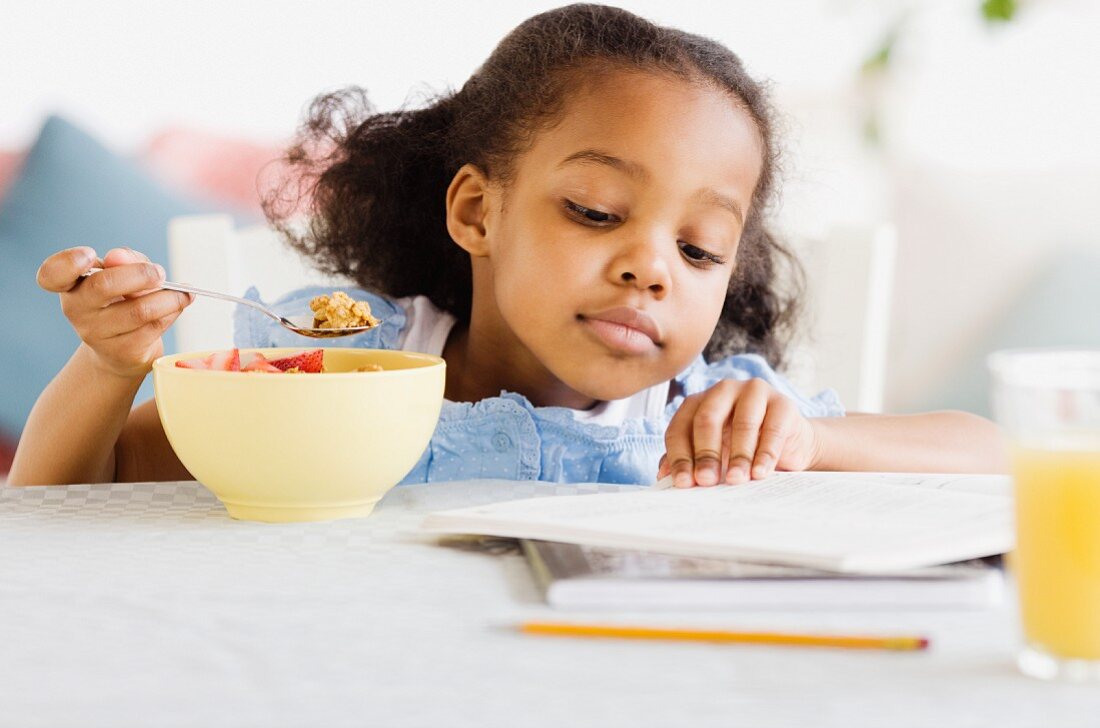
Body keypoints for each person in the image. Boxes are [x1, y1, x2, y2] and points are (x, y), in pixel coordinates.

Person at [8, 3, 1006, 490]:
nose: (652, 266)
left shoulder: (714, 414)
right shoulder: (343, 367)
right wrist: (108, 367)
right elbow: (65, 499)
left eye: (699, 249)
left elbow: (996, 457)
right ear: (477, 212)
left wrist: (807, 438)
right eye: (598, 213)